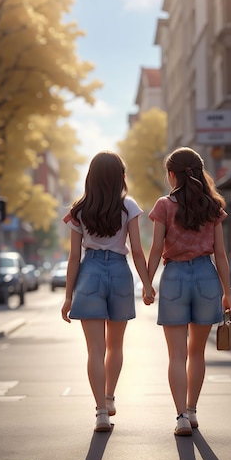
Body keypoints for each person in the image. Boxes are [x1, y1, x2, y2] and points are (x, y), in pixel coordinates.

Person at [61, 151, 155, 432]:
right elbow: (137, 251)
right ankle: (110, 397)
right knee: (115, 346)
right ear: (120, 178)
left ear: (91, 177)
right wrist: (147, 283)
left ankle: (101, 411)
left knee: (95, 350)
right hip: (119, 274)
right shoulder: (129, 207)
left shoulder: (79, 209)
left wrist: (68, 296)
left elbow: (73, 258)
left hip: (89, 274)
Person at [146, 147, 231, 436]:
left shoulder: (164, 206)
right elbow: (220, 254)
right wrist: (227, 292)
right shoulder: (213, 207)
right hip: (207, 278)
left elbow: (157, 248)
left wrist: (147, 282)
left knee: (176, 355)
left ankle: (181, 416)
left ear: (172, 174)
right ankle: (193, 410)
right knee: (197, 353)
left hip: (174, 279)